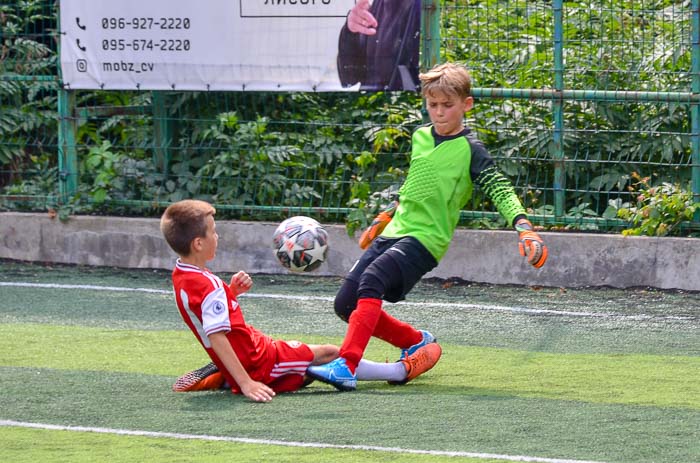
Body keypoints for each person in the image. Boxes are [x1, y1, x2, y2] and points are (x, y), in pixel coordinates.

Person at [307, 62, 548, 391]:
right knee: (345, 304)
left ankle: (346, 366)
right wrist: (387, 215)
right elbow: (415, 184)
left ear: (467, 104)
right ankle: (416, 341)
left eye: (447, 105)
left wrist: (524, 227)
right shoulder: (420, 137)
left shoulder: (471, 151)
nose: (438, 112)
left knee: (373, 280)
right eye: (432, 105)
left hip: (425, 240)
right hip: (396, 230)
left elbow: (500, 189)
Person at [160, 199, 442, 401]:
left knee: (310, 363)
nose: (217, 237)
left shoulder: (182, 276)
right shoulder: (207, 284)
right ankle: (400, 371)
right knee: (329, 356)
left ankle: (226, 372)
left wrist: (230, 293)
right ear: (198, 243)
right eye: (213, 232)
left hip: (254, 347)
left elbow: (204, 315)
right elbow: (217, 334)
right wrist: (246, 383)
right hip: (260, 361)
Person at [337, 0, 421, 91]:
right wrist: (350, 32)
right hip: (375, 102)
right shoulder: (376, 6)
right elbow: (349, 78)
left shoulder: (421, 7)